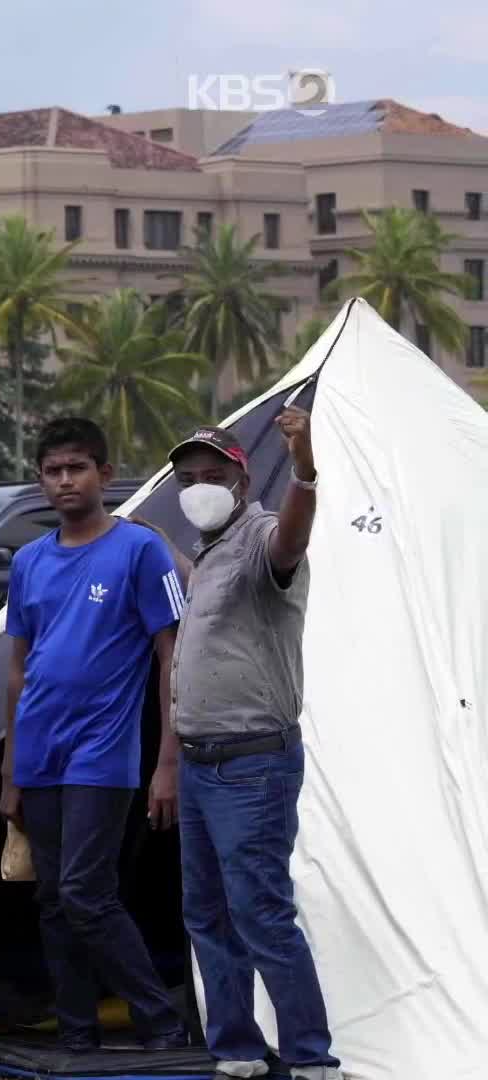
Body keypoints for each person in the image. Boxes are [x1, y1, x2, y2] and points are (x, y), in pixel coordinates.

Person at [0, 417, 188, 1051]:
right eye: (52, 471)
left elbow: (173, 656)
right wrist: (9, 773)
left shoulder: (139, 549)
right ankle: (77, 1037)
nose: (64, 481)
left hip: (104, 752)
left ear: (104, 475)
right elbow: (19, 670)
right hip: (39, 753)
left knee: (86, 892)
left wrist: (168, 763)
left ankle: (162, 1023)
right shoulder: (28, 561)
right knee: (52, 900)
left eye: (77, 467)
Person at [169, 415, 339, 1080]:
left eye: (213, 477)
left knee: (259, 911)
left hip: (251, 763)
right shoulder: (208, 551)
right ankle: (238, 1050)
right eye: (188, 480)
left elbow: (292, 539)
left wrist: (303, 468)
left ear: (243, 480)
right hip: (199, 762)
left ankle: (309, 1058)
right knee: (206, 912)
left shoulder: (258, 536)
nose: (199, 488)